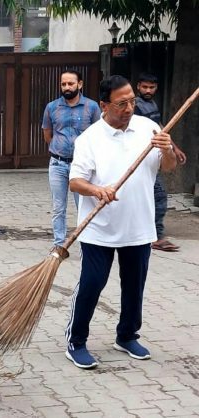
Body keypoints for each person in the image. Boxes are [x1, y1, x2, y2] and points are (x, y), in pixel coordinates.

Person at [64, 75, 177, 369]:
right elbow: (75, 182)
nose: (129, 107)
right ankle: (76, 340)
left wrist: (166, 149)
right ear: (104, 105)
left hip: (139, 226)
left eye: (132, 101)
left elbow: (169, 167)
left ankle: (127, 336)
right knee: (92, 283)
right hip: (99, 229)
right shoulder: (90, 138)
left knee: (134, 285)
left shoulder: (149, 129)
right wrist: (97, 189)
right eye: (121, 103)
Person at [42, 70, 101, 248]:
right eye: (63, 84)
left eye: (70, 84)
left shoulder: (91, 107)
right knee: (58, 208)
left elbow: (98, 134)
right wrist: (59, 148)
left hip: (81, 166)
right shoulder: (52, 107)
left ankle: (87, 242)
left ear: (80, 84)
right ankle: (59, 244)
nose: (67, 87)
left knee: (83, 205)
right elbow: (47, 133)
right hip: (57, 164)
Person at [134, 72, 187, 252]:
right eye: (145, 87)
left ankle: (150, 233)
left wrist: (174, 148)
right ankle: (155, 236)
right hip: (140, 158)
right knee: (159, 195)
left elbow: (160, 129)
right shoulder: (135, 106)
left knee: (154, 195)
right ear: (138, 87)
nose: (148, 90)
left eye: (152, 87)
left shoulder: (151, 105)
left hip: (153, 157)